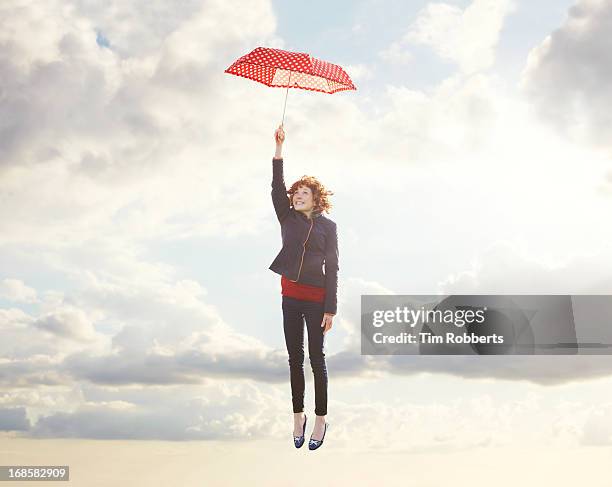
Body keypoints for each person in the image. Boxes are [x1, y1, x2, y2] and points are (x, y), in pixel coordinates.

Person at [269, 124, 339, 450]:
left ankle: (321, 418)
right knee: (294, 359)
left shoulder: (328, 228)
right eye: (294, 193)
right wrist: (279, 149)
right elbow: (275, 187)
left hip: (316, 300)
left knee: (316, 358)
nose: (297, 196)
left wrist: (331, 308)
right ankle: (298, 416)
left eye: (304, 193)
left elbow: (333, 268)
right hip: (290, 297)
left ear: (315, 199)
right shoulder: (287, 219)